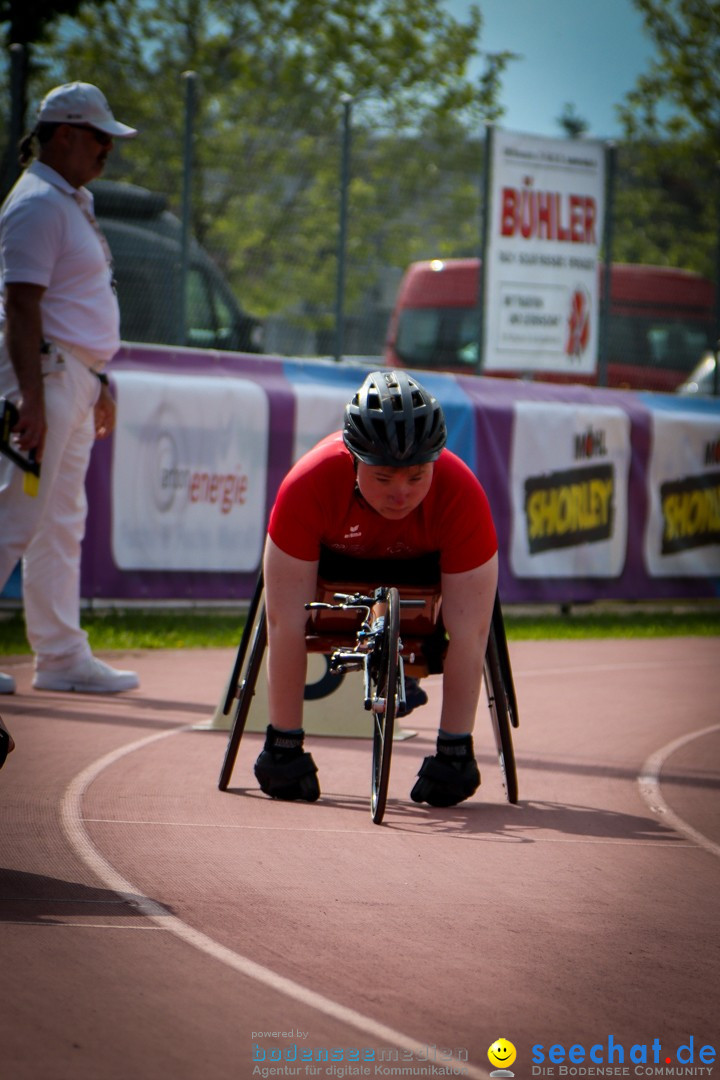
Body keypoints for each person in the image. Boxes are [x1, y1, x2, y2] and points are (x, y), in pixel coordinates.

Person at [255, 369, 499, 808]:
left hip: (425, 587)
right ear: (353, 459)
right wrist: (282, 746)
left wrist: (454, 751)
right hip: (333, 578)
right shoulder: (308, 484)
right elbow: (283, 620)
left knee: (468, 623)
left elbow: (471, 633)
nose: (401, 493)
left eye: (416, 476)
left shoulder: (462, 494)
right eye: (384, 478)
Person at [0, 82, 139, 695]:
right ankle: (59, 655)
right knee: (14, 516)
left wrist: (97, 377)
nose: (108, 149)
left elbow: (65, 304)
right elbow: (20, 305)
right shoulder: (36, 203)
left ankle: (59, 657)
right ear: (62, 134)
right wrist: (31, 398)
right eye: (98, 137)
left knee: (59, 522)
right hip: (46, 377)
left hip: (71, 376)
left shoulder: (66, 199)